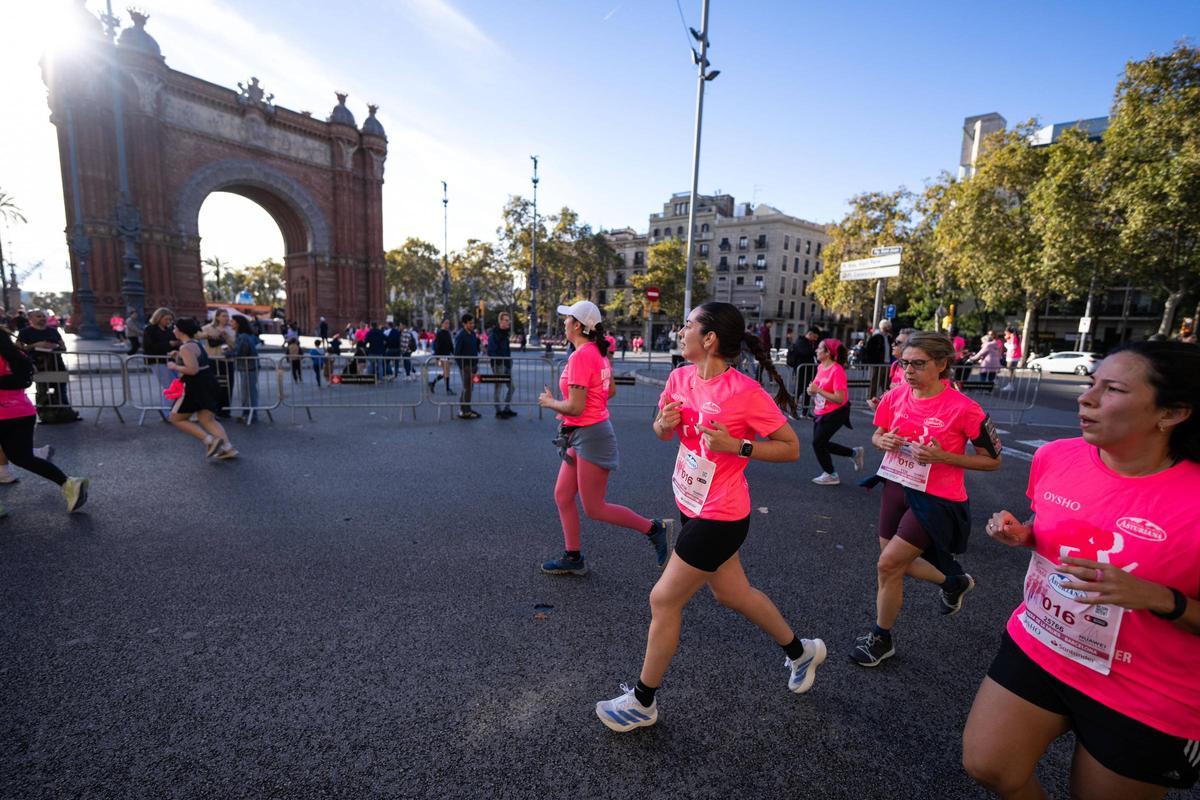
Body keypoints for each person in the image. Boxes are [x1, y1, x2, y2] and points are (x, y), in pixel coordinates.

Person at [964, 340, 1200, 798]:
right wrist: (1025, 534)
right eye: (1092, 383)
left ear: (1171, 413)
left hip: (1148, 689)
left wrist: (1158, 597)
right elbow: (1054, 530)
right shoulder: (1056, 456)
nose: (1086, 398)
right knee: (988, 765)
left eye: (1112, 389)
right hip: (1042, 642)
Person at [595, 301, 826, 733]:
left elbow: (792, 448)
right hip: (689, 503)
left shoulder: (744, 393)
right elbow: (661, 431)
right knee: (734, 595)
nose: (680, 332)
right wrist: (663, 424)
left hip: (721, 516)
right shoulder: (679, 378)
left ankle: (643, 702)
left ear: (709, 338)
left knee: (663, 599)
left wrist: (738, 446)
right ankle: (802, 652)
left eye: (687, 326)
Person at [851, 331, 1002, 668]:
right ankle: (953, 582)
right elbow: (877, 434)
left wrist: (943, 457)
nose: (908, 371)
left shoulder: (965, 409)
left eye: (918, 364)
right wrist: (881, 441)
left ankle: (881, 637)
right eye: (904, 363)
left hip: (936, 498)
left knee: (888, 564)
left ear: (942, 364)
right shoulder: (895, 396)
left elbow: (993, 461)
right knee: (894, 563)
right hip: (896, 485)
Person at [538, 300, 671, 576]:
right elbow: (608, 391)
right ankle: (573, 556)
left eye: (567, 318)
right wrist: (582, 410)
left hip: (592, 436)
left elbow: (575, 406)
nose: (564, 322)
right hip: (582, 432)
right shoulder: (597, 353)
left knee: (595, 508)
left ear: (577, 326)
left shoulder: (581, 356)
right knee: (562, 495)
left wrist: (550, 403)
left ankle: (654, 528)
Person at [0, 326, 88, 516]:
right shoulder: (16, 353)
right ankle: (69, 483)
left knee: (20, 457)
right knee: (23, 458)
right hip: (22, 412)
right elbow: (26, 379)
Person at [166, 318, 237, 460]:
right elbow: (196, 360)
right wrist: (178, 356)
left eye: (174, 328)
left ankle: (209, 440)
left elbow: (192, 370)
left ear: (180, 331)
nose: (173, 330)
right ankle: (228, 448)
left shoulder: (185, 347)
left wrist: (174, 366)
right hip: (208, 383)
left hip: (194, 386)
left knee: (175, 418)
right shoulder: (196, 344)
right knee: (207, 419)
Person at [807, 338, 865, 485]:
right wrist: (811, 391)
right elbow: (817, 386)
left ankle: (831, 474)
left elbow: (840, 398)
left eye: (819, 348)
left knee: (818, 443)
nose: (816, 350)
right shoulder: (821, 367)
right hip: (821, 411)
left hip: (837, 412)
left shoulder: (837, 370)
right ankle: (854, 453)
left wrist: (818, 390)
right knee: (821, 443)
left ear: (828, 352)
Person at [16, 309, 80, 423]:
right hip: (39, 366)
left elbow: (63, 347)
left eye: (44, 316)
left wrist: (55, 346)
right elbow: (19, 349)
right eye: (38, 316)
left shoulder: (53, 331)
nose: (42, 318)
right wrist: (35, 345)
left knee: (61, 390)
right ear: (31, 319)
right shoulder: (25, 332)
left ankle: (65, 413)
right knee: (43, 391)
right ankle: (45, 415)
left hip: (57, 365)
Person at [867, 328, 915, 411]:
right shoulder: (895, 365)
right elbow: (892, 391)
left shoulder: (918, 370)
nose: (892, 344)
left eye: (898, 342)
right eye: (894, 341)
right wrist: (881, 401)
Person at [200, 309, 236, 418]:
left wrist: (226, 336)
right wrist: (209, 335)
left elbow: (234, 345)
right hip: (212, 359)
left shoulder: (231, 329)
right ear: (217, 317)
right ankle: (213, 410)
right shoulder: (208, 328)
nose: (226, 318)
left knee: (228, 385)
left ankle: (225, 410)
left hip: (227, 360)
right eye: (224, 316)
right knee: (213, 385)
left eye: (227, 316)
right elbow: (196, 335)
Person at [143, 307, 178, 413]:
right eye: (166, 319)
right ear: (159, 317)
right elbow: (148, 346)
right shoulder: (150, 329)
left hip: (170, 361)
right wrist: (168, 344)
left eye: (170, 319)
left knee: (175, 386)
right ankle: (167, 412)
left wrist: (176, 344)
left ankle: (171, 410)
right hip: (157, 361)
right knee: (170, 386)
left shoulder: (169, 330)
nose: (168, 321)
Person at [230, 315, 261, 423]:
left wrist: (228, 354)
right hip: (249, 366)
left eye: (232, 321)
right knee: (248, 392)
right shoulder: (246, 335)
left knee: (248, 392)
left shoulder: (243, 336)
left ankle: (250, 415)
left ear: (238, 323)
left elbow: (241, 352)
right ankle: (248, 414)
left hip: (248, 367)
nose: (230, 323)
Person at [786, 325, 821, 417]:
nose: (816, 339)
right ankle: (793, 412)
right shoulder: (801, 342)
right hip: (801, 370)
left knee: (808, 391)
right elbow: (806, 352)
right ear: (810, 334)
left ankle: (805, 412)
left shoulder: (809, 342)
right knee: (798, 391)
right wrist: (815, 350)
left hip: (808, 370)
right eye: (815, 337)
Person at [488, 312, 516, 418]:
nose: (508, 322)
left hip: (507, 364)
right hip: (498, 365)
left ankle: (506, 408)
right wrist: (499, 361)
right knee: (498, 388)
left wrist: (509, 362)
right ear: (500, 321)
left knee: (512, 387)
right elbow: (491, 351)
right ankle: (498, 411)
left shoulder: (505, 334)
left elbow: (507, 350)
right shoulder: (494, 334)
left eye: (509, 320)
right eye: (506, 320)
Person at [453, 314, 481, 419]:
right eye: (470, 323)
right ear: (464, 324)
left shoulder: (472, 334)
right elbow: (456, 353)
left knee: (470, 388)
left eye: (473, 323)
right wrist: (462, 366)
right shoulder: (460, 336)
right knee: (467, 388)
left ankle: (465, 408)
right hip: (465, 366)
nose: (472, 325)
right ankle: (465, 411)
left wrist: (476, 363)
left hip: (473, 365)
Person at [863, 318, 893, 398]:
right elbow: (869, 350)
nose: (889, 328)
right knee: (875, 382)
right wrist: (872, 362)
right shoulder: (876, 337)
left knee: (886, 383)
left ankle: (886, 399)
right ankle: (871, 398)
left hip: (887, 363)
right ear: (883, 327)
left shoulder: (889, 338)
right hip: (877, 363)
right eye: (887, 326)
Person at [429, 318, 454, 395]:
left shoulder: (448, 333)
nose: (447, 325)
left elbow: (450, 344)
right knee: (446, 371)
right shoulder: (439, 333)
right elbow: (437, 346)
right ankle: (447, 389)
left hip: (447, 354)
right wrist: (437, 358)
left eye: (448, 323)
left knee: (446, 372)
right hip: (442, 355)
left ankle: (433, 383)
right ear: (442, 324)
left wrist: (454, 353)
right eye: (446, 323)